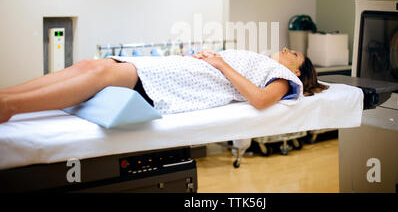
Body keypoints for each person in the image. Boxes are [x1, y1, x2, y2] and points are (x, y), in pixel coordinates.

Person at [0, 47, 328, 123]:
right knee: (92, 65)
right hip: (181, 68)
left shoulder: (284, 80)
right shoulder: (266, 60)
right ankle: (7, 94)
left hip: (177, 83)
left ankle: (11, 107)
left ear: (298, 72)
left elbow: (259, 100)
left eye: (294, 53)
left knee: (101, 75)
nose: (286, 50)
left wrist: (220, 62)